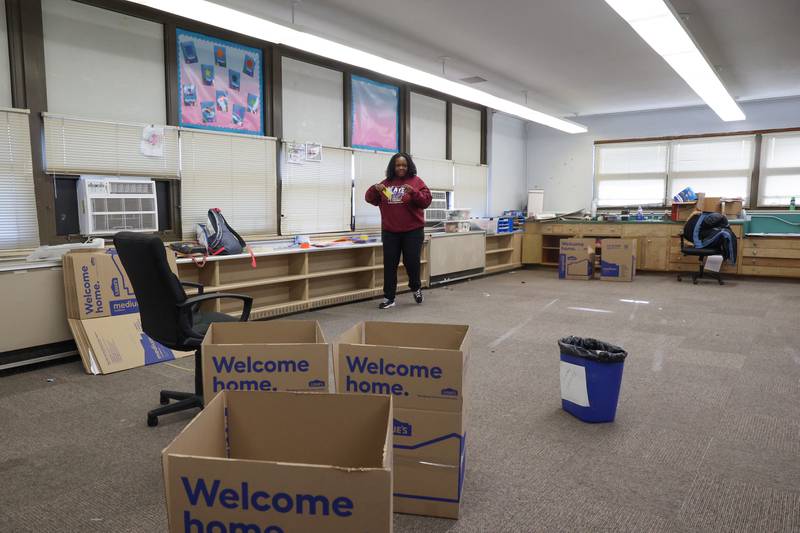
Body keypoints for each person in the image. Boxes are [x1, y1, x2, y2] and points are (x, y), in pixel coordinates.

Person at [365, 152, 432, 309]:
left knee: (411, 262)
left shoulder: (416, 181)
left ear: (408, 166)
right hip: (390, 232)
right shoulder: (386, 183)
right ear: (393, 167)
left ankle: (415, 287)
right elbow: (370, 199)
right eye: (398, 165)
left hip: (413, 231)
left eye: (404, 165)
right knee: (390, 265)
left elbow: (426, 201)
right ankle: (389, 297)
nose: (401, 167)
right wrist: (375, 189)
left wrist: (414, 192)